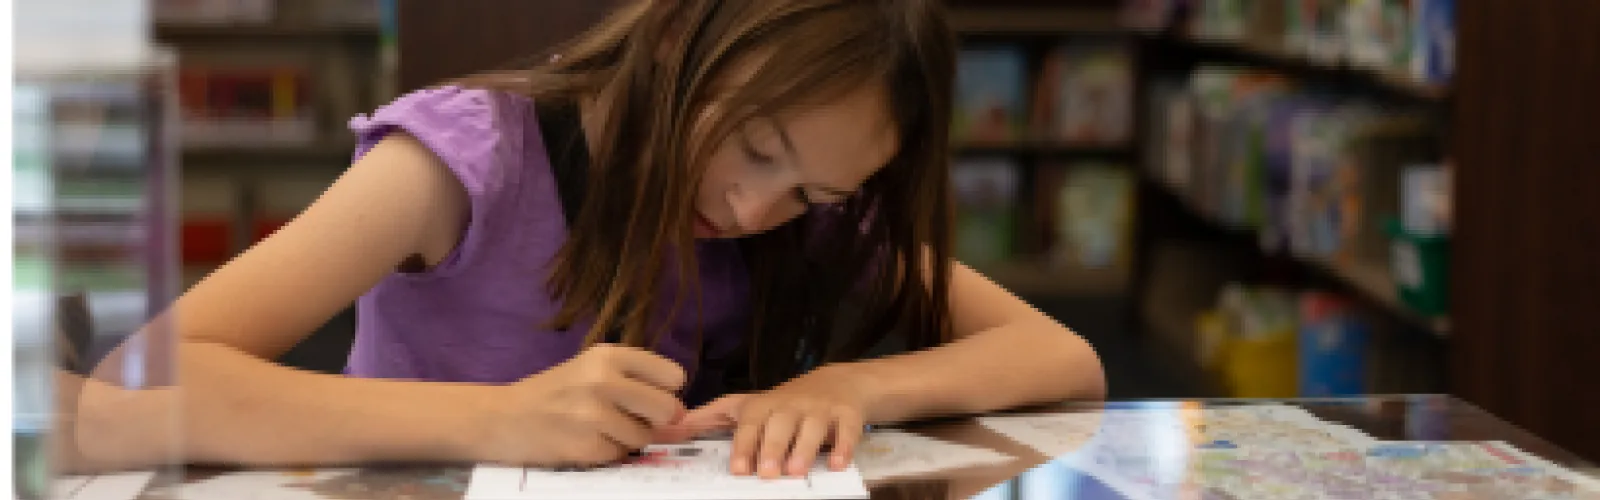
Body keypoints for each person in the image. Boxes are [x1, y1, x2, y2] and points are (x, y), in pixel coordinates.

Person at [76, 0, 1106, 479]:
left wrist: (849, 385)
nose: (756, 209)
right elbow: (128, 387)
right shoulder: (463, 155)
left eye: (813, 190)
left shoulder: (819, 203)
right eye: (751, 147)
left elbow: (1065, 358)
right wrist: (497, 418)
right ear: (673, 39)